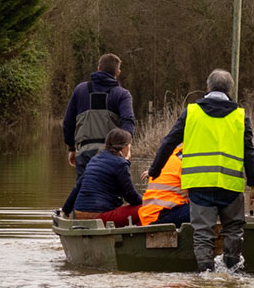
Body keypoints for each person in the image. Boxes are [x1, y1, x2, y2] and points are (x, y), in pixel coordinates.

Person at [146, 69, 254, 272]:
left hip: (199, 185)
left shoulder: (191, 113)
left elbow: (168, 142)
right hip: (230, 186)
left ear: (207, 87)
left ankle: (205, 275)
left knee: (202, 233)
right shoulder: (240, 116)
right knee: (234, 230)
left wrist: (155, 170)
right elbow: (249, 153)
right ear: (230, 90)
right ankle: (233, 272)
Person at [63, 53, 135, 181]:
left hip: (85, 153)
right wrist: (126, 145)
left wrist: (71, 148)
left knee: (85, 192)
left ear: (98, 69)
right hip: (113, 154)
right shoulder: (122, 94)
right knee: (112, 195)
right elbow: (128, 122)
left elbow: (68, 122)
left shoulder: (80, 90)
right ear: (118, 73)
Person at [59, 127, 142, 227]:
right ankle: (136, 238)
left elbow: (77, 187)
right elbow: (131, 196)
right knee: (145, 209)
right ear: (125, 147)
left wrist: (65, 210)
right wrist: (148, 200)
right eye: (129, 145)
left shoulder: (95, 159)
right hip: (99, 217)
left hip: (79, 214)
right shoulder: (120, 163)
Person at [136, 144, 191, 228]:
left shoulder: (168, 158)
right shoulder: (183, 163)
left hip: (151, 216)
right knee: (203, 208)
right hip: (159, 217)